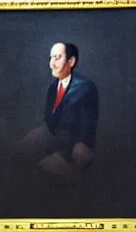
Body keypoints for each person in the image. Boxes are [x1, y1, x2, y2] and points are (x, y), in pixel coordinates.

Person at [21, 42, 99, 178]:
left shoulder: (85, 87)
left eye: (57, 58)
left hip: (74, 146)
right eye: (51, 58)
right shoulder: (53, 86)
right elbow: (49, 119)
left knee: (44, 170)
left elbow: (88, 127)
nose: (52, 63)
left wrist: (79, 148)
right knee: (23, 149)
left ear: (71, 61)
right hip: (54, 137)